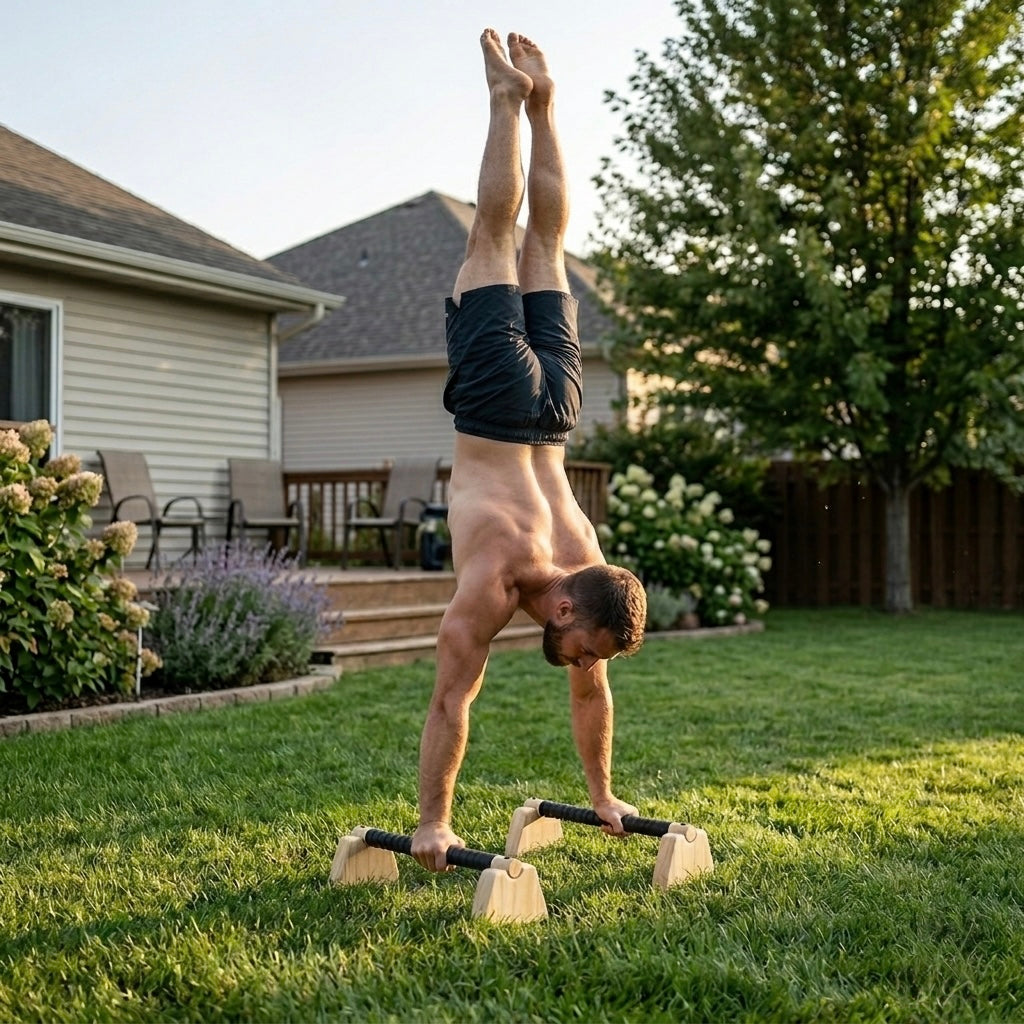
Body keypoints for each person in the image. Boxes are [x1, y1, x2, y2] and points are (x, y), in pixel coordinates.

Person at [410, 29, 648, 873]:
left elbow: (594, 695)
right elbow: (451, 700)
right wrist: (433, 821)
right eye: (583, 648)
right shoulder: (501, 577)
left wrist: (602, 793)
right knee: (494, 237)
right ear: (563, 610)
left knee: (543, 245)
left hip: (557, 414)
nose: (580, 666)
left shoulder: (593, 577)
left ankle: (545, 105)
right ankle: (508, 101)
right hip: (502, 410)